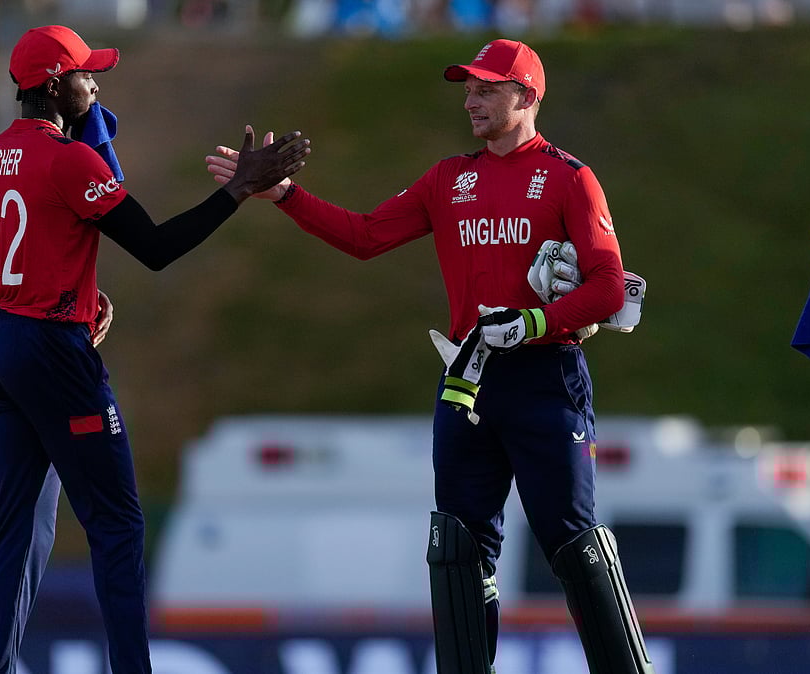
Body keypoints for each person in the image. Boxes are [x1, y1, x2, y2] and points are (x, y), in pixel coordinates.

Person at [207, 38, 653, 674]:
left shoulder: (568, 177)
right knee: (457, 550)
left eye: (486, 89)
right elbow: (365, 237)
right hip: (468, 381)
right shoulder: (450, 178)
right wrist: (282, 194)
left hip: (545, 377)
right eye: (468, 89)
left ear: (526, 96)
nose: (471, 100)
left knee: (575, 545)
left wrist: (534, 321)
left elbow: (609, 285)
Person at [0, 25, 309, 674]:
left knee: (19, 532)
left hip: (2, 346)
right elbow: (156, 248)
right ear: (52, 84)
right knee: (117, 525)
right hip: (51, 350)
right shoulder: (70, 159)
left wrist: (57, 284)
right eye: (85, 76)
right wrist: (240, 186)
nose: (95, 86)